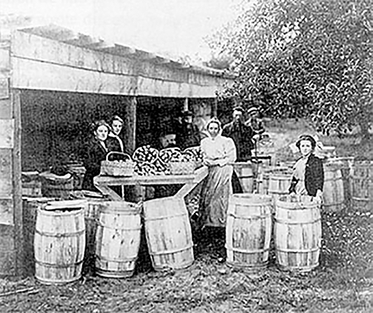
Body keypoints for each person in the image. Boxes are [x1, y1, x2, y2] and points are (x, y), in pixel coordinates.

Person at [199, 118, 237, 260]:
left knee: (221, 197)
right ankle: (210, 227)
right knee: (209, 198)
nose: (213, 131)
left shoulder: (227, 141)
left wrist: (219, 161)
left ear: (219, 129)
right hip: (211, 171)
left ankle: (222, 226)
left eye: (216, 128)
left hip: (224, 170)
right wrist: (208, 161)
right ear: (207, 130)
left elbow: (232, 157)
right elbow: (204, 157)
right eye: (211, 128)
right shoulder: (204, 142)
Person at [289, 134, 324, 202]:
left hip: (309, 191)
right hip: (298, 191)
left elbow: (319, 179)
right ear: (299, 148)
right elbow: (294, 179)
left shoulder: (316, 161)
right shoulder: (298, 162)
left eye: (308, 146)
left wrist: (318, 194)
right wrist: (292, 190)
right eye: (302, 146)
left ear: (312, 148)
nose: (305, 149)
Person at [82, 120, 110, 191]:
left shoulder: (107, 145)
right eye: (100, 131)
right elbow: (88, 164)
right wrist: (104, 168)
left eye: (105, 131)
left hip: (103, 180)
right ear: (95, 132)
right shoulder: (90, 145)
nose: (103, 134)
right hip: (92, 180)